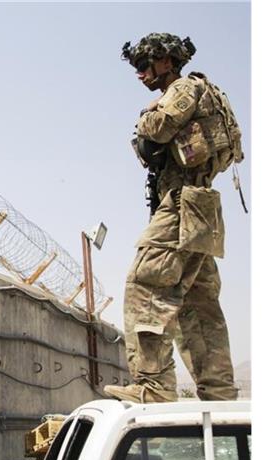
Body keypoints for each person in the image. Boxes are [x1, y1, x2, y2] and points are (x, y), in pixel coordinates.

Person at [103, 33, 244, 403]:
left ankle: (153, 386)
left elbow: (158, 128)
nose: (139, 74)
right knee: (199, 308)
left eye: (143, 65)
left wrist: (147, 114)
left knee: (146, 285)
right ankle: (219, 392)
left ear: (166, 61)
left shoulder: (182, 89)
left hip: (183, 203)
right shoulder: (201, 89)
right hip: (203, 210)